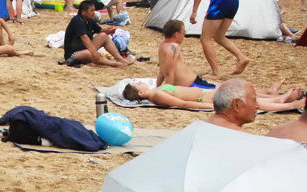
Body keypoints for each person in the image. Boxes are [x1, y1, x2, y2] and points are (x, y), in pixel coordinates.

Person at [122, 79, 301, 111]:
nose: (140, 82)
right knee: (247, 101)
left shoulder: (156, 90)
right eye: (137, 84)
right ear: (140, 92)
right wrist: (210, 107)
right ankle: (288, 104)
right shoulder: (156, 96)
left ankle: (278, 98)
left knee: (242, 92)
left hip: (206, 94)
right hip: (205, 98)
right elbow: (182, 103)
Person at [61, 0, 133, 67]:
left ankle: (119, 58)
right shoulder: (77, 20)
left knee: (103, 36)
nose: (94, 13)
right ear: (83, 12)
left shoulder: (89, 20)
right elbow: (84, 38)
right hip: (73, 54)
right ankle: (113, 64)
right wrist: (94, 52)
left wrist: (109, 31)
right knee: (89, 53)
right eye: (91, 11)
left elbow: (100, 31)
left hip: (84, 48)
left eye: (94, 10)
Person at [156, 20, 214, 88]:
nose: (184, 35)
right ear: (177, 34)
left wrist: (157, 87)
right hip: (190, 85)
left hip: (190, 83)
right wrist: (167, 93)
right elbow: (169, 74)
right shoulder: (172, 48)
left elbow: (162, 71)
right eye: (183, 32)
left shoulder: (163, 45)